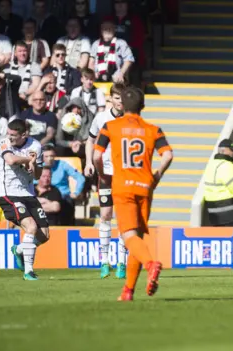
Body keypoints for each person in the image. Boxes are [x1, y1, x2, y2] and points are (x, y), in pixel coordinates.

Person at [93, 86, 173, 301]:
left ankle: (151, 264)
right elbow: (168, 155)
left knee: (128, 237)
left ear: (121, 105)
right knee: (137, 238)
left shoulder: (110, 126)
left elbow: (96, 156)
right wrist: (156, 177)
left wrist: (102, 175)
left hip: (123, 187)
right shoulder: (153, 129)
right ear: (143, 106)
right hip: (145, 186)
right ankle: (127, 291)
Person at [0, 119, 48, 280]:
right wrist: (29, 160)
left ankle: (18, 250)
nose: (9, 137)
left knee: (44, 235)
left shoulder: (36, 146)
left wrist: (34, 165)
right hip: (8, 193)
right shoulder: (4, 143)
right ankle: (29, 271)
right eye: (8, 133)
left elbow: (38, 175)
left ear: (24, 135)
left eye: (13, 135)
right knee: (31, 227)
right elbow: (11, 160)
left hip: (28, 193)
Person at [84, 82, 126, 279]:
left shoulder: (131, 118)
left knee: (124, 217)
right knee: (106, 215)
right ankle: (104, 261)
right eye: (117, 97)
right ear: (111, 99)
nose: (121, 101)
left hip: (125, 174)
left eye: (123, 97)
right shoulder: (101, 118)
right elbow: (90, 140)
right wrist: (88, 162)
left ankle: (122, 263)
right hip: (105, 173)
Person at [202, 139, 233, 227]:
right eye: (232, 150)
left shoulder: (211, 165)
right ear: (224, 150)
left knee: (220, 238)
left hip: (214, 212)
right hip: (228, 213)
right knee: (232, 238)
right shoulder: (226, 165)